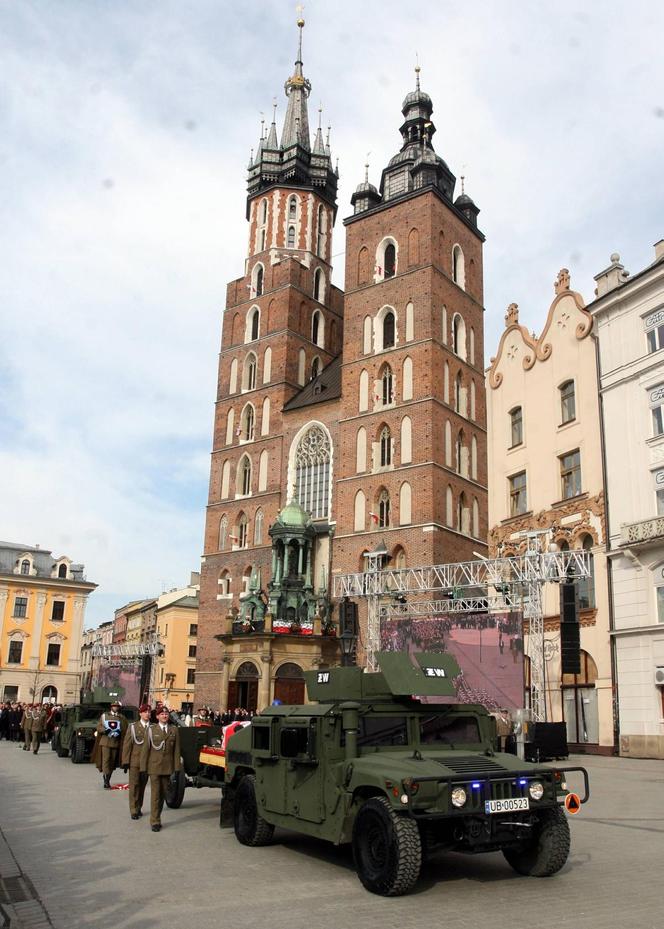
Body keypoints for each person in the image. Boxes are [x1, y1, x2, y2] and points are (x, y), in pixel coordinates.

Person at [140, 705, 181, 832]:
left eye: (166, 714)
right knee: (155, 794)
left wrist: (177, 767)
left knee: (163, 794)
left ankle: (157, 816)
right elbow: (145, 750)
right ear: (157, 716)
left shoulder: (174, 730)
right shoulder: (152, 730)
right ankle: (155, 820)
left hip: (167, 767)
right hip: (154, 767)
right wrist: (143, 767)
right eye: (162, 714)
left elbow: (176, 751)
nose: (165, 716)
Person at [122, 703, 151, 820]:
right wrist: (125, 761)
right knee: (134, 786)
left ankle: (139, 806)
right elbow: (127, 745)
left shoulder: (153, 728)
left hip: (148, 763)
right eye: (145, 712)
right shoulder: (133, 727)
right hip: (135, 761)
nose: (147, 714)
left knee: (142, 786)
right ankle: (133, 809)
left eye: (149, 712)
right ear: (140, 713)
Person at [93, 700, 128, 788]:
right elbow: (99, 726)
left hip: (116, 742)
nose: (115, 707)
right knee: (106, 761)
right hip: (106, 741)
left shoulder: (122, 718)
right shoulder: (105, 716)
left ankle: (108, 778)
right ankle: (105, 780)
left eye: (117, 706)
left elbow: (125, 729)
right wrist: (105, 730)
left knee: (112, 762)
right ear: (111, 707)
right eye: (114, 706)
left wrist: (120, 732)